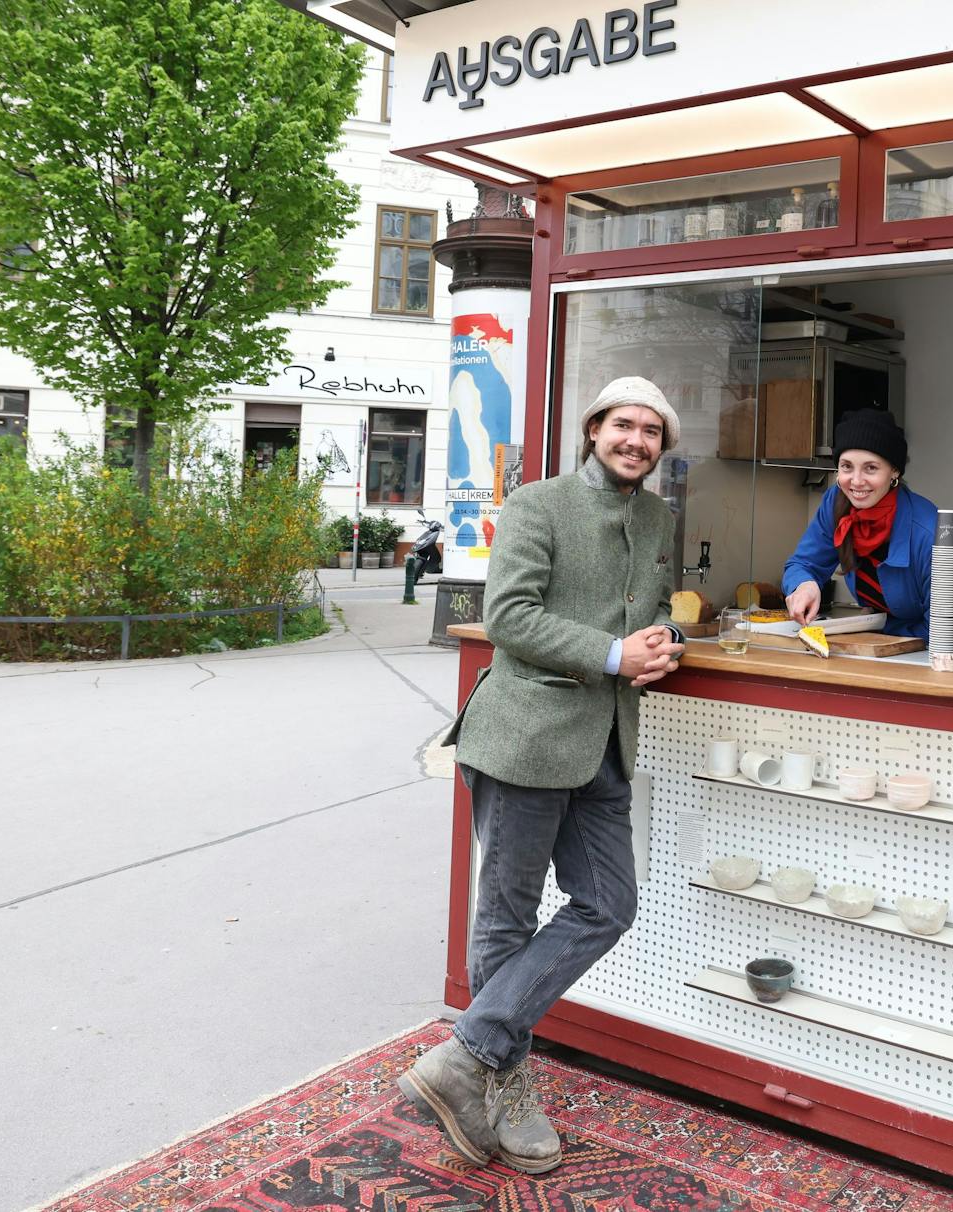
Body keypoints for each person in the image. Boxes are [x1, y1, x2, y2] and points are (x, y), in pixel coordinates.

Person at [400, 376, 685, 1174]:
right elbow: (511, 617)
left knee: (609, 903)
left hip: (605, 742)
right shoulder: (538, 503)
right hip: (527, 733)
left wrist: (660, 639)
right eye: (623, 425)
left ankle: (467, 1056)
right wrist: (611, 653)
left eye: (651, 432)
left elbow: (649, 607)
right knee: (507, 916)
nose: (636, 441)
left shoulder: (660, 516)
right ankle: (503, 1083)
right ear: (594, 428)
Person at [782, 409, 937, 642]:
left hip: (923, 655)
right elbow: (804, 563)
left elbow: (947, 627)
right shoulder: (835, 502)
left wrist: (877, 630)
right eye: (846, 466)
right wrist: (804, 585)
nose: (855, 481)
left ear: (894, 471)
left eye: (870, 468)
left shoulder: (930, 531)